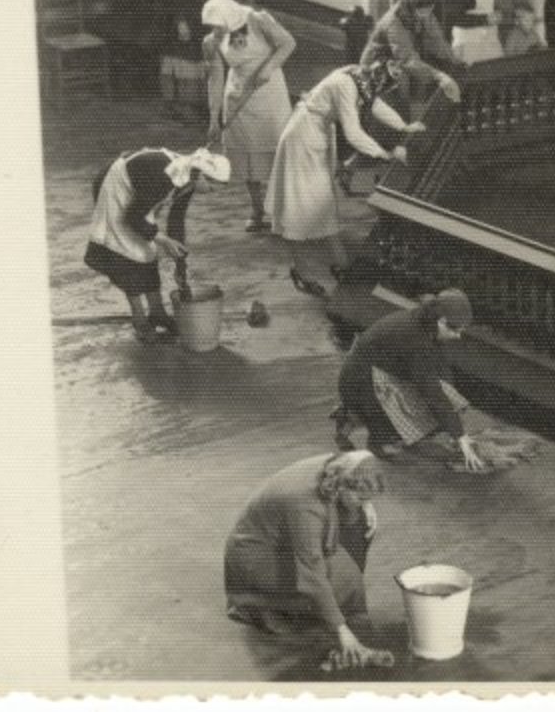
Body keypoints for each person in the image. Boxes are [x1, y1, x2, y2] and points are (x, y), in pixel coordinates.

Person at [266, 61, 425, 296]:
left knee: (322, 206)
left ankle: (340, 267)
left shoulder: (361, 77)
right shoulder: (346, 84)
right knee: (301, 208)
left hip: (314, 134)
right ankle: (308, 272)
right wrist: (385, 154)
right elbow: (353, 132)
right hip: (302, 139)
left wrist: (404, 126)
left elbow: (375, 105)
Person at [223, 451, 394, 669]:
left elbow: (361, 460)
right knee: (337, 577)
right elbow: (311, 574)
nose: (364, 503)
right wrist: (342, 632)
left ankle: (335, 612)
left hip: (279, 536)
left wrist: (366, 504)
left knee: (359, 525)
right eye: (361, 498)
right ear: (342, 486)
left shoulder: (338, 466)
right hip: (254, 558)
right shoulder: (305, 504)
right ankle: (265, 605)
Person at [84, 146, 230, 343]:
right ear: (202, 176)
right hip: (114, 185)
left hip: (136, 192)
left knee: (147, 251)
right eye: (213, 188)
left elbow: (176, 219)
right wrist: (162, 239)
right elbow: (133, 217)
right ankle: (139, 319)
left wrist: (180, 262)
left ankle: (157, 312)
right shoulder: (168, 175)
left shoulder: (187, 178)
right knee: (127, 254)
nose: (212, 193)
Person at [333, 290, 486, 471]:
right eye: (456, 331)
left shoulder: (425, 322)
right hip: (359, 382)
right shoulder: (415, 338)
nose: (458, 336)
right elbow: (431, 392)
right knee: (415, 412)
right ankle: (377, 440)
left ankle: (355, 415)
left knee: (446, 403)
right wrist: (459, 436)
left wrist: (454, 426)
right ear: (442, 321)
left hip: (377, 370)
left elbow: (441, 372)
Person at [201, 0, 296, 232]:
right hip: (238, 95)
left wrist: (269, 67)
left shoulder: (258, 19)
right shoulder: (211, 42)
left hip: (268, 91)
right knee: (247, 157)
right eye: (212, 27)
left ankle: (284, 211)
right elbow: (215, 78)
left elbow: (288, 43)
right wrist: (214, 118)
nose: (216, 31)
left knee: (275, 152)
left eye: (220, 27)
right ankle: (257, 210)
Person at [360, 0, 463, 112]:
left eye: (430, 10)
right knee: (401, 82)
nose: (427, 15)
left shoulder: (424, 11)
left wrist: (455, 60)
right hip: (375, 63)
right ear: (414, 6)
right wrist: (439, 76)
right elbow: (407, 59)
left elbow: (437, 41)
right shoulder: (394, 22)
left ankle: (417, 117)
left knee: (424, 76)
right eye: (423, 11)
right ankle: (401, 120)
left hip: (398, 58)